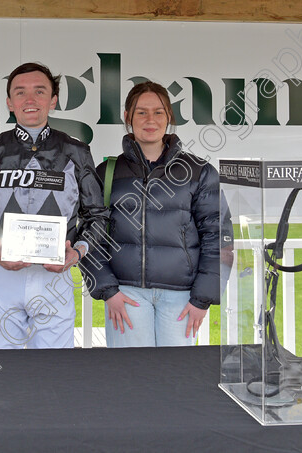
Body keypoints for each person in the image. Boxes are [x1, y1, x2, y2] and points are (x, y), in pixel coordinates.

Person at [0, 62, 108, 349]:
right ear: (9, 102)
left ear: (53, 100)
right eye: (20, 92)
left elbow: (97, 216)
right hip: (3, 276)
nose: (29, 100)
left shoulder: (77, 152)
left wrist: (77, 253)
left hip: (55, 279)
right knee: (2, 373)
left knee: (54, 375)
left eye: (39, 91)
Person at [80, 81, 221, 347]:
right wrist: (108, 290)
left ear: (169, 117)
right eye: (141, 112)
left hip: (181, 299)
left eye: (158, 112)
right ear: (127, 117)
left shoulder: (199, 171)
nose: (150, 120)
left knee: (175, 380)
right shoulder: (106, 172)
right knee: (130, 381)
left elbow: (216, 236)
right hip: (126, 295)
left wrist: (202, 299)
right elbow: (89, 234)